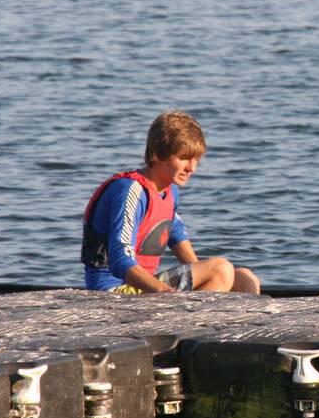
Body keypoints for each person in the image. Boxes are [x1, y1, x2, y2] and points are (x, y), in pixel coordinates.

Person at [81, 110, 261, 294]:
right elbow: (120, 261)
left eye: (196, 159)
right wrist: (165, 292)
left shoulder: (169, 190)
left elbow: (176, 235)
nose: (191, 168)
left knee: (244, 279)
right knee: (220, 268)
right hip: (112, 293)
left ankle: (203, 319)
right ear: (158, 156)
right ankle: (190, 320)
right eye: (183, 158)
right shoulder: (130, 191)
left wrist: (206, 278)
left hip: (143, 290)